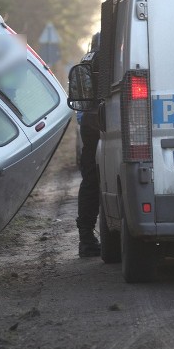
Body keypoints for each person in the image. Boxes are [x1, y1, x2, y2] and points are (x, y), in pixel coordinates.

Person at [75, 33, 101, 257]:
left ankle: (86, 237)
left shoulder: (86, 61)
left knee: (91, 180)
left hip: (90, 125)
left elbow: (80, 102)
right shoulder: (120, 54)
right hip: (108, 121)